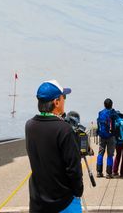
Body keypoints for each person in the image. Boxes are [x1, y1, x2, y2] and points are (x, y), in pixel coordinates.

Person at [25, 80, 83, 213]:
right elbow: (73, 168)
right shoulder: (64, 129)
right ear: (56, 102)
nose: (65, 101)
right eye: (64, 97)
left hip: (38, 201)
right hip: (63, 202)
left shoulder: (29, 125)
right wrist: (78, 190)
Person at [96, 98, 118, 177]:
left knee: (100, 153)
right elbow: (117, 118)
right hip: (110, 136)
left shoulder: (100, 113)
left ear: (104, 105)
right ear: (111, 105)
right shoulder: (112, 113)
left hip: (102, 135)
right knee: (110, 154)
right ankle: (109, 173)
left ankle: (99, 172)